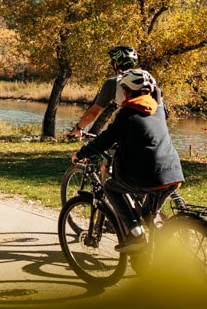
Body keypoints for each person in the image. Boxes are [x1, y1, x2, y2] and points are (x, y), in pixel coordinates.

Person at [71, 69, 184, 251]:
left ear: (126, 92)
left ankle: (137, 236)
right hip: (173, 174)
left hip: (149, 176)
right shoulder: (159, 109)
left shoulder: (127, 114)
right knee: (149, 214)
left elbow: (105, 140)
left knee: (110, 188)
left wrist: (80, 154)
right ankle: (165, 254)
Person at [65, 45, 139, 140]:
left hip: (130, 130)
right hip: (155, 131)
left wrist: (78, 128)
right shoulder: (148, 80)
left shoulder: (114, 82)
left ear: (116, 63)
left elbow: (94, 112)